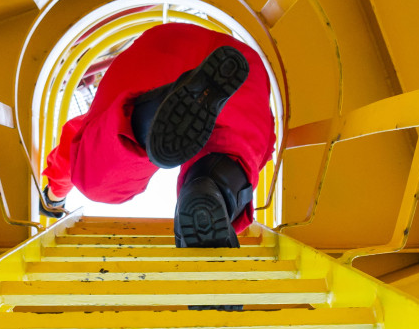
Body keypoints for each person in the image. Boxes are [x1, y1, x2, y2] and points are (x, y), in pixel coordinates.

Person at [39, 22, 275, 248]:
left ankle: (149, 120)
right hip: (240, 69)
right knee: (234, 152)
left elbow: (70, 152)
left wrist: (54, 196)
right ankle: (214, 188)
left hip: (170, 51)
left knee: (99, 174)